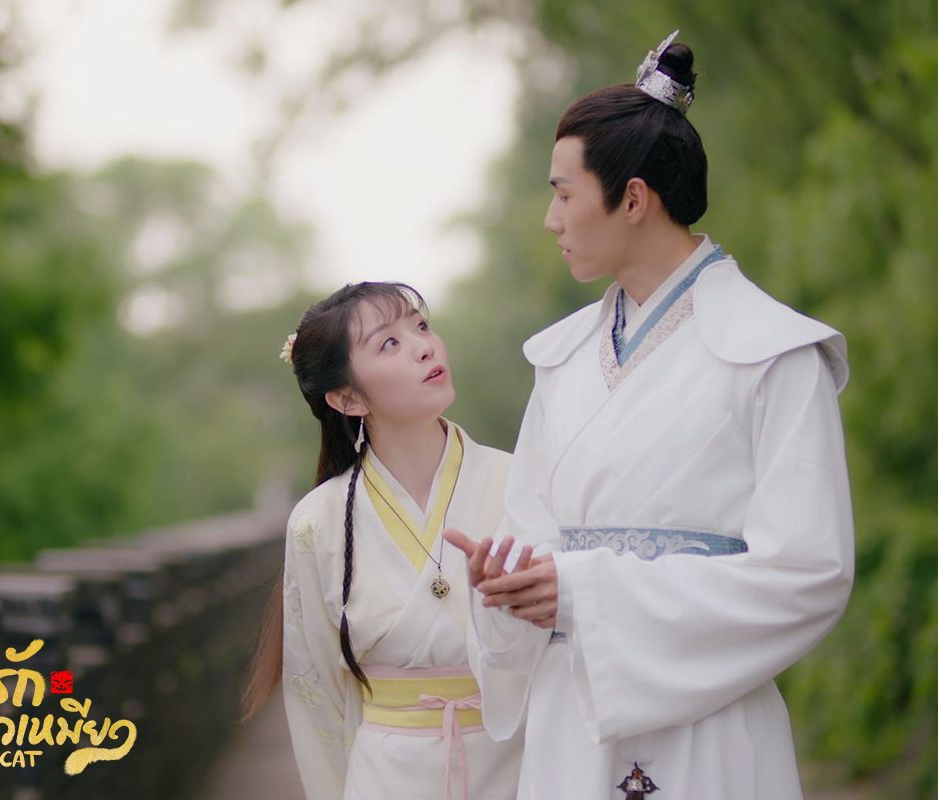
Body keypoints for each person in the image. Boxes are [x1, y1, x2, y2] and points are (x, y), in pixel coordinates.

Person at [444, 31, 854, 800]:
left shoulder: (773, 352)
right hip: (573, 718)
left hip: (711, 727)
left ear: (633, 199)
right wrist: (508, 586)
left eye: (564, 193)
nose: (551, 219)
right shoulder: (562, 359)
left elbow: (809, 573)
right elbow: (534, 537)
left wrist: (584, 590)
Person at [242, 282, 523, 800]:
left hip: (516, 764)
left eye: (421, 327)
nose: (425, 347)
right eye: (389, 343)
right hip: (388, 775)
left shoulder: (521, 483)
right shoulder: (317, 522)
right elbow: (315, 695)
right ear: (347, 398)